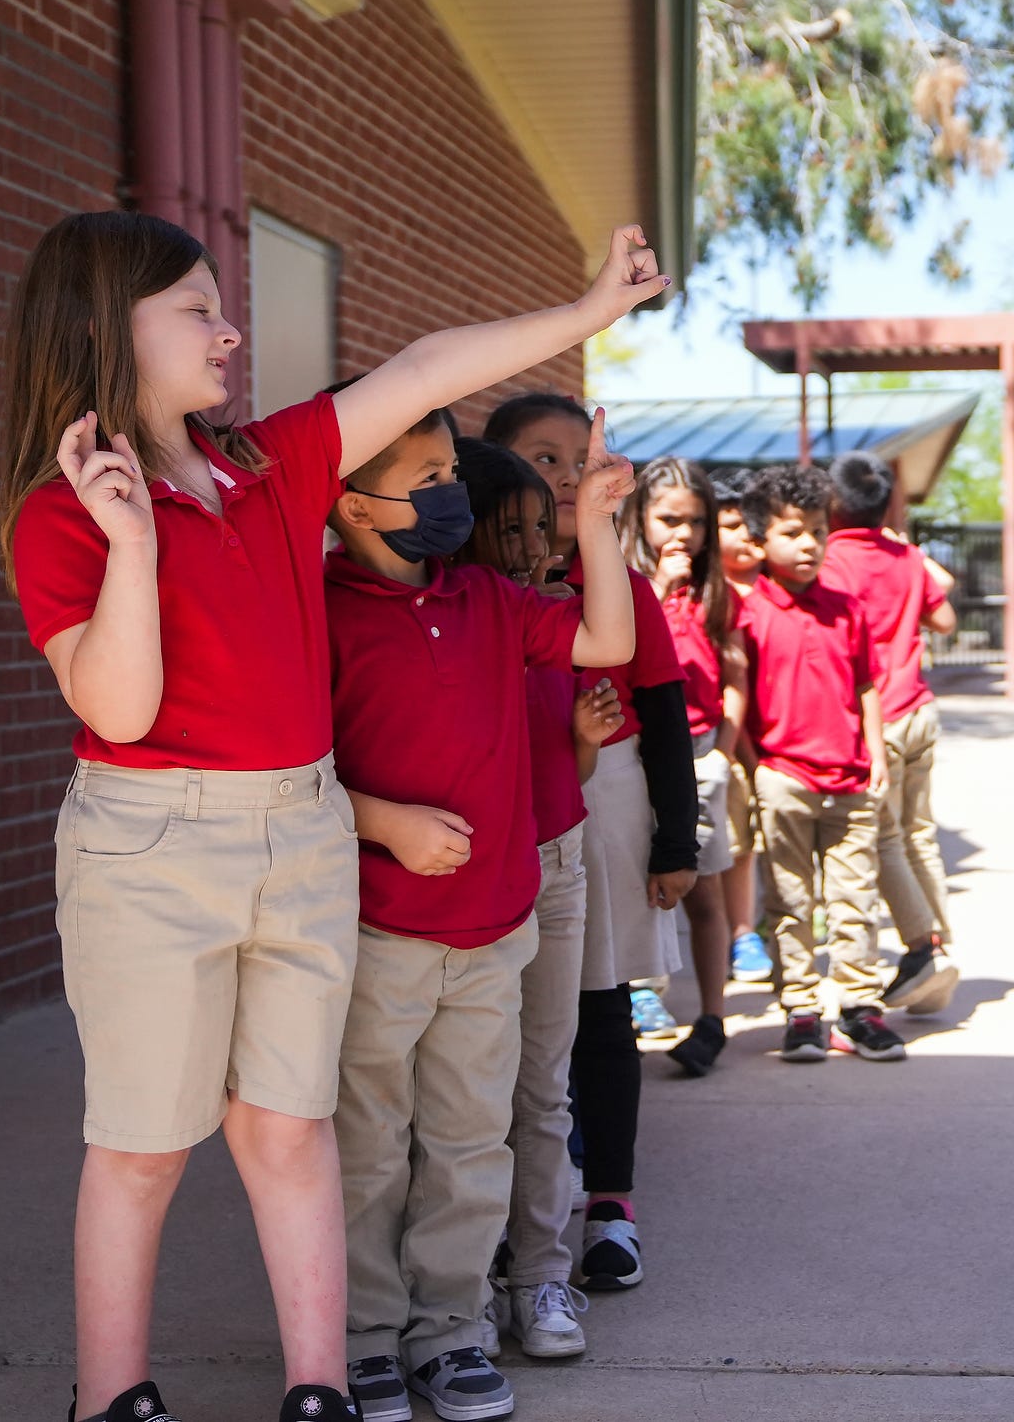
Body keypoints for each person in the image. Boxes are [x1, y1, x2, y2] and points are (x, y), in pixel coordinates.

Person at [0, 210, 665, 1422]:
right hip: (155, 840)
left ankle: (322, 1386)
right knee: (144, 1145)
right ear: (107, 326)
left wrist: (584, 317)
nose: (228, 325)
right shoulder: (59, 511)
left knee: (292, 1127)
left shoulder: (268, 465)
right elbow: (122, 705)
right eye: (197, 307)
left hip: (301, 829)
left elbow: (418, 372)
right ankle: (112, 1396)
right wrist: (132, 548)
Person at [324, 403, 634, 1422]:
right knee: (369, 1146)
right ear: (350, 501)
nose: (446, 491)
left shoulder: (494, 600)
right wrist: (386, 823)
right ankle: (366, 1335)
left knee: (467, 1141)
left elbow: (603, 636)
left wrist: (594, 517)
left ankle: (451, 1329)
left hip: (495, 927)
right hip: (377, 932)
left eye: (447, 468)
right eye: (420, 475)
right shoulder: (318, 611)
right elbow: (291, 771)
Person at [485, 395, 698, 1294]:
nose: (567, 477)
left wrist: (676, 838)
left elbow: (662, 715)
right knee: (497, 1028)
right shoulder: (474, 590)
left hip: (604, 805)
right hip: (494, 804)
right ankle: (501, 1212)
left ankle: (609, 1205)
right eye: (543, 457)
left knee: (599, 1013)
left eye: (580, 460)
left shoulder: (625, 590)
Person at [444, 437, 609, 1363]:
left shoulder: (557, 626)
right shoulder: (463, 627)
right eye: (508, 531)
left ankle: (543, 1273)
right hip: (471, 870)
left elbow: (565, 767)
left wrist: (584, 738)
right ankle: (458, 1289)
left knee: (544, 1089)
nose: (529, 550)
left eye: (542, 531)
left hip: (557, 864)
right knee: (461, 1100)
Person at [737, 464, 901, 1062]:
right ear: (760, 542)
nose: (807, 543)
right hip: (784, 779)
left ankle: (860, 1009)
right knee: (789, 900)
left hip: (851, 778)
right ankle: (802, 1011)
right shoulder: (748, 614)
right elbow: (740, 700)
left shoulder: (847, 607)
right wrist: (761, 768)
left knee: (855, 900)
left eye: (815, 531)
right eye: (791, 532)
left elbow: (866, 686)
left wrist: (877, 753)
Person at [620, 457, 755, 1076]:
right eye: (670, 519)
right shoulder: (623, 583)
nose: (684, 534)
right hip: (634, 753)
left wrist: (725, 750)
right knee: (632, 888)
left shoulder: (712, 593)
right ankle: (635, 996)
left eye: (696, 522)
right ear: (639, 516)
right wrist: (663, 591)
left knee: (703, 891)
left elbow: (734, 675)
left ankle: (712, 1018)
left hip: (699, 755)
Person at [819, 453, 963, 1016]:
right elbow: (945, 617)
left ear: (832, 506)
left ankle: (923, 948)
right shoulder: (905, 557)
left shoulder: (830, 561)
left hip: (875, 718)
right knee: (919, 834)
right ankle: (939, 945)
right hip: (920, 709)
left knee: (884, 839)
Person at [710, 471, 774, 984]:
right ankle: (740, 930)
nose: (746, 535)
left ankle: (764, 924)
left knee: (766, 839)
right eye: (731, 524)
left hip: (781, 741)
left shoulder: (778, 588)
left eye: (754, 525)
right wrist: (738, 747)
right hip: (730, 740)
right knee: (736, 841)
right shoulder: (713, 597)